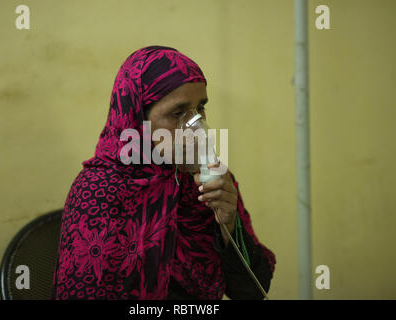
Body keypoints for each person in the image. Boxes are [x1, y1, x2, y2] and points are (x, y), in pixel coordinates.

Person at [51, 45, 276, 300]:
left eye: (200, 109)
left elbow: (252, 291)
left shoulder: (208, 185)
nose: (196, 128)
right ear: (138, 119)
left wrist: (228, 226)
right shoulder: (100, 191)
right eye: (178, 113)